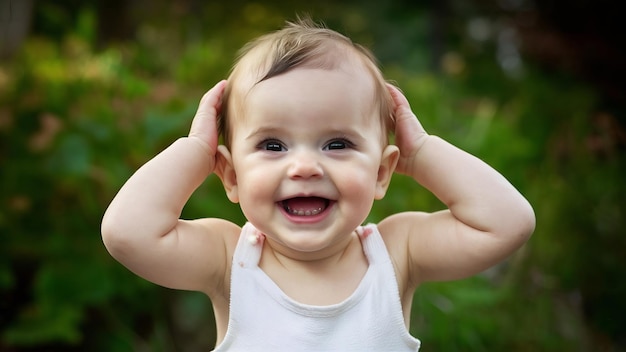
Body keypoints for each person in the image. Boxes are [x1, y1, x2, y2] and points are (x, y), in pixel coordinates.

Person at [101, 18, 535, 351]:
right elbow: (127, 234)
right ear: (232, 175)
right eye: (273, 144)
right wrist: (197, 148)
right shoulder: (230, 259)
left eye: (337, 143)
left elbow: (507, 223)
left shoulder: (396, 254)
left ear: (381, 172)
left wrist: (420, 153)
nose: (305, 166)